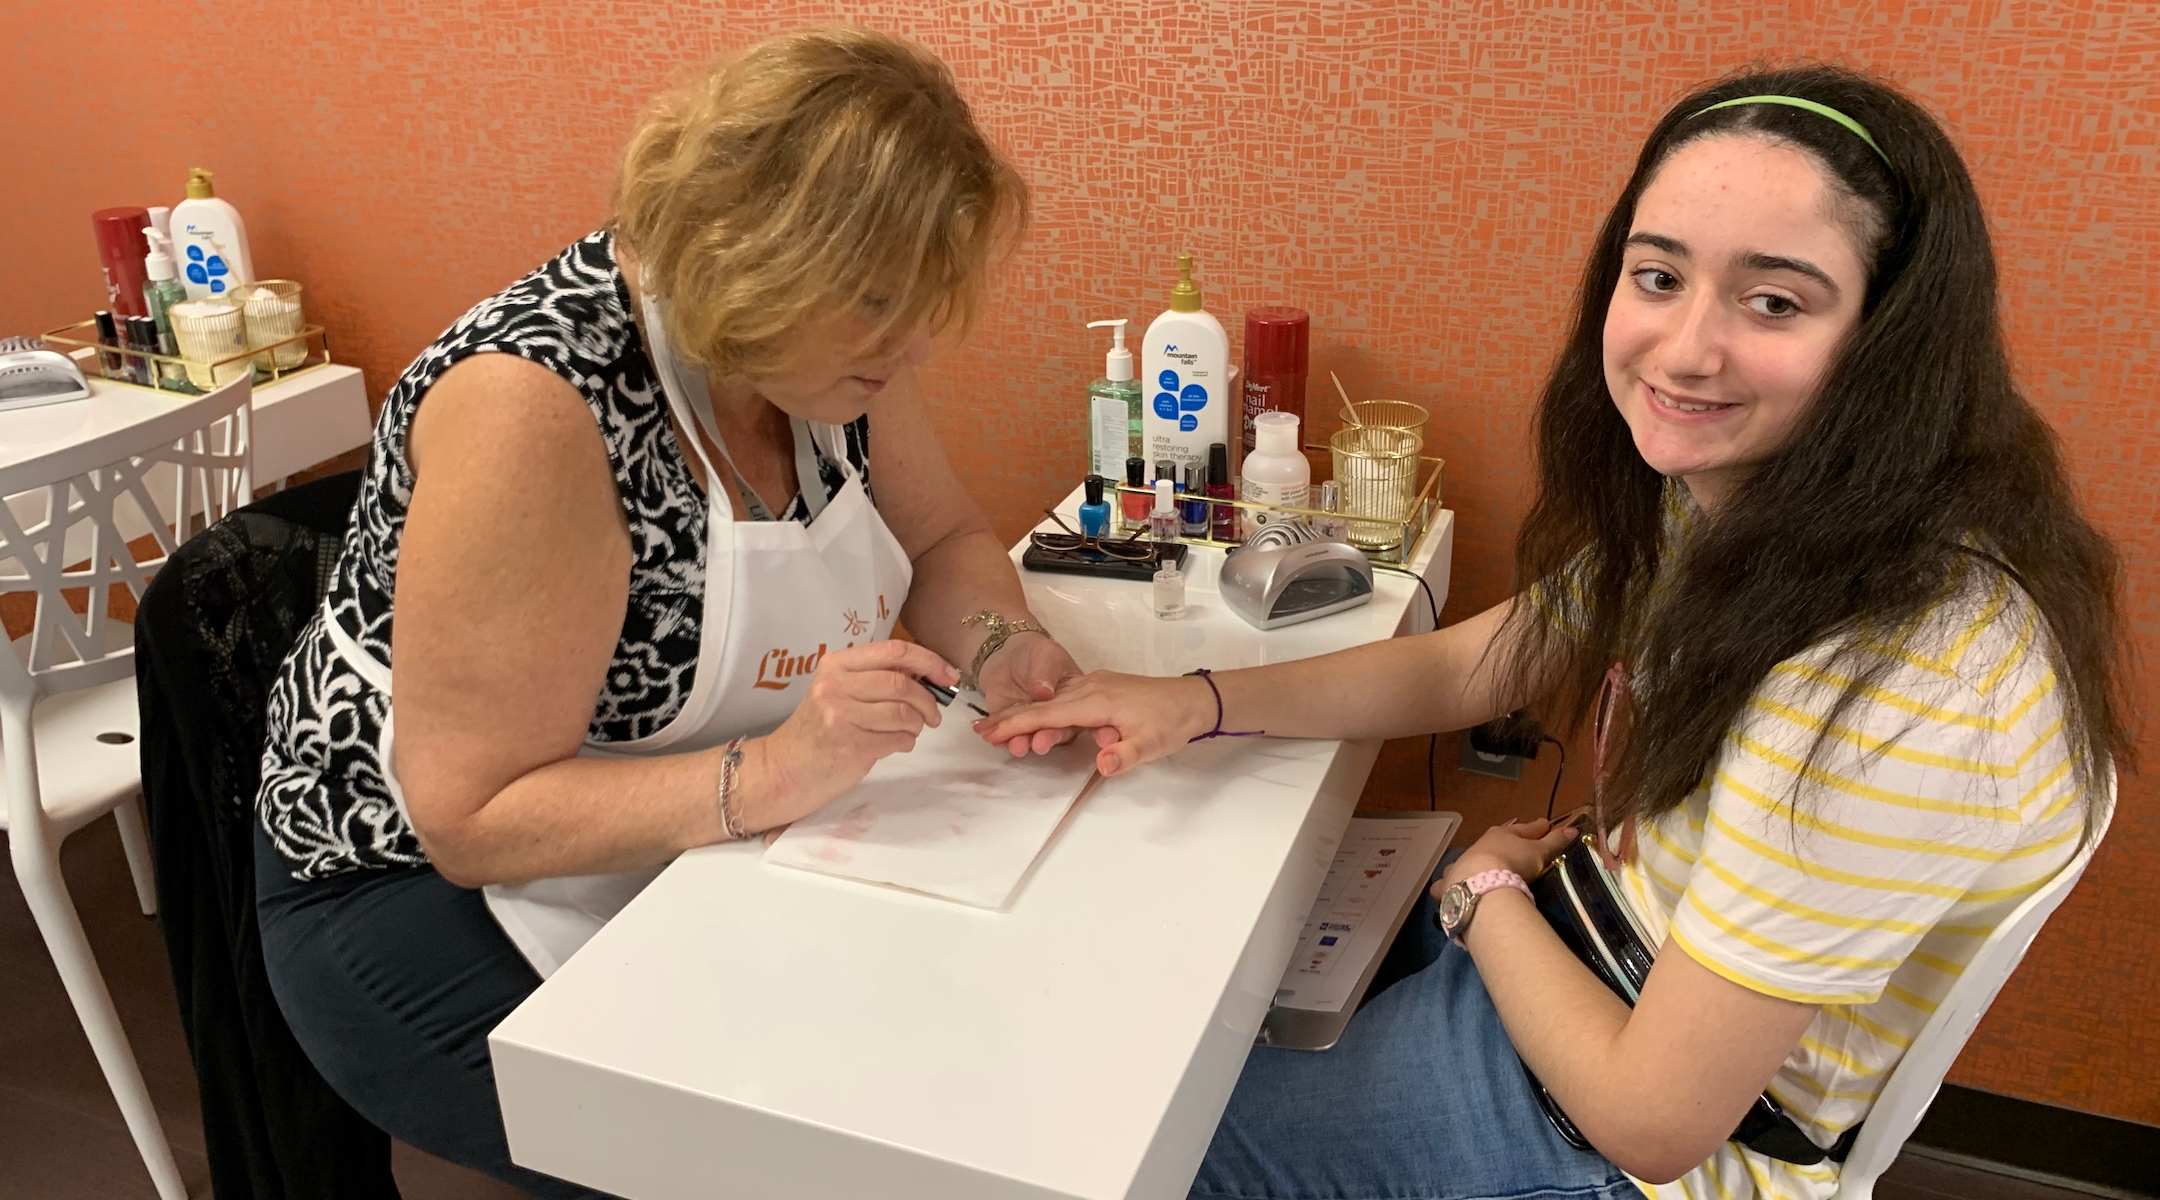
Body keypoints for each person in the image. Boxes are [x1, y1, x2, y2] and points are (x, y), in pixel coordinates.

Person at [978, 65, 2130, 1200]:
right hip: (1586, 960)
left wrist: (1482, 896)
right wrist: (1201, 699)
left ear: (1891, 340)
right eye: (1659, 275)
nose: (1686, 349)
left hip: (1613, 1145)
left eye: (1774, 300)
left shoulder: (1903, 683)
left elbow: (1652, 1119)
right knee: (1170, 1008)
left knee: (1129, 1143)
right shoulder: (1745, 504)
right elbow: (1493, 656)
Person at [253, 29, 1077, 1198]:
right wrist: (780, 773)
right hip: (413, 890)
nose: (916, 346)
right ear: (758, 260)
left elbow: (945, 541)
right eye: (882, 304)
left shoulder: (826, 361)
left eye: (924, 302)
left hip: (678, 810)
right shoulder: (534, 411)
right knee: (778, 1156)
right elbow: (470, 817)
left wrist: (1009, 650)